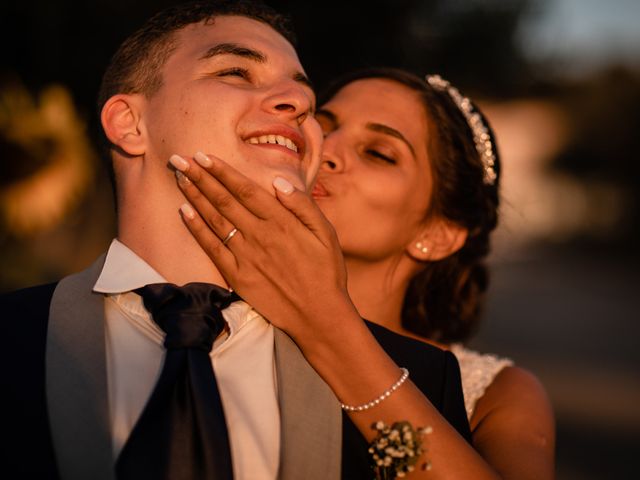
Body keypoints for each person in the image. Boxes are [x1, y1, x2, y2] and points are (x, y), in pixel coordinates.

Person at [0, 3, 471, 480]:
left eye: (303, 94)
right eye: (236, 71)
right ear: (129, 124)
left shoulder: (423, 383)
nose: (298, 101)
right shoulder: (12, 334)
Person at [176, 69, 555, 479]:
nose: (325, 151)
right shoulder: (196, 325)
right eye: (321, 127)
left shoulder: (493, 395)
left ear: (439, 233)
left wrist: (327, 323)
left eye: (378, 153)